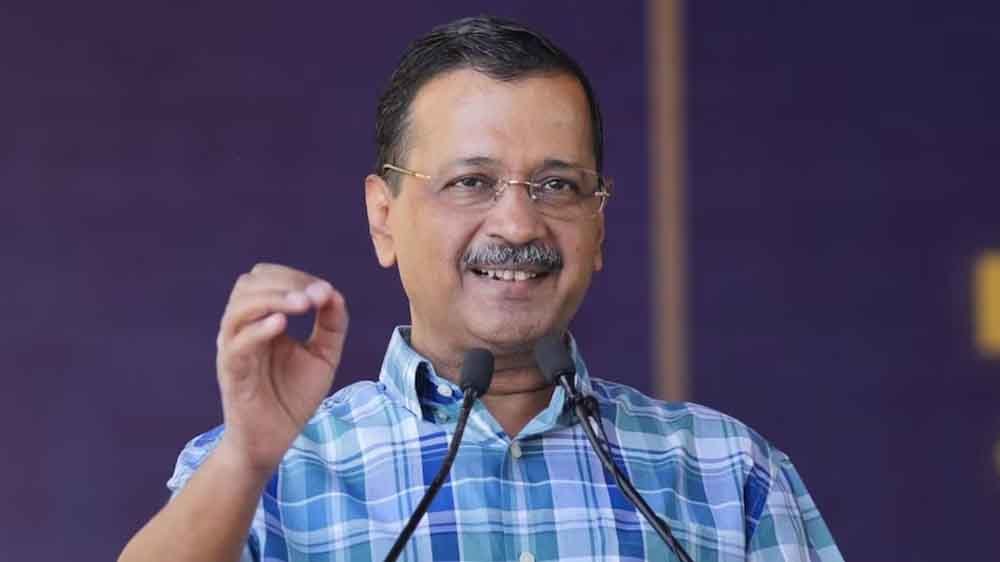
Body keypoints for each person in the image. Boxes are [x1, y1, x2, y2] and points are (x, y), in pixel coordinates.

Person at [119, 15, 843, 562]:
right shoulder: (264, 476)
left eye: (558, 185)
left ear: (598, 226)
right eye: (471, 182)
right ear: (383, 218)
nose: (518, 223)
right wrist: (246, 461)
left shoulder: (727, 476)